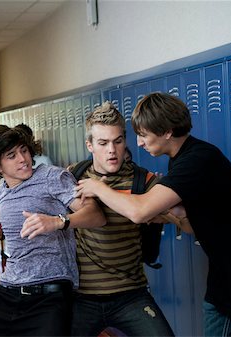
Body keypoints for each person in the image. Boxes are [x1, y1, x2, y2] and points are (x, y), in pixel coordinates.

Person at [76, 92, 231, 337]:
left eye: (143, 134)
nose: (138, 143)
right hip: (224, 280)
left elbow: (138, 211)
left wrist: (98, 188)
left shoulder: (197, 160)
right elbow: (191, 221)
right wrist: (167, 214)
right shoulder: (179, 159)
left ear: (167, 131)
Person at [0, 124, 105, 336]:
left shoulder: (52, 177)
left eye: (24, 150)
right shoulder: (1, 193)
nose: (23, 159)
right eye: (11, 155)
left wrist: (58, 221)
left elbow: (96, 216)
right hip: (8, 291)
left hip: (49, 295)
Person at [54, 101, 174, 337]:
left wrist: (165, 215)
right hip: (82, 297)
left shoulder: (144, 180)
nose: (112, 150)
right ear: (90, 145)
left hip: (130, 294)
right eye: (103, 143)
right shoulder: (72, 177)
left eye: (118, 141)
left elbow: (178, 216)